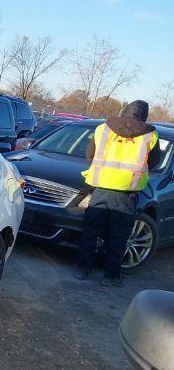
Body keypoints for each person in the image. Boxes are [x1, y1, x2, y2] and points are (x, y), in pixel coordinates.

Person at [74, 100, 160, 287]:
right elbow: (153, 162)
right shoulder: (150, 134)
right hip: (126, 192)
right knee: (119, 236)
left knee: (90, 231)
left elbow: (90, 155)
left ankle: (83, 269)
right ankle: (110, 276)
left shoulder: (103, 128)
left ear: (124, 111)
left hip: (101, 187)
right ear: (143, 115)